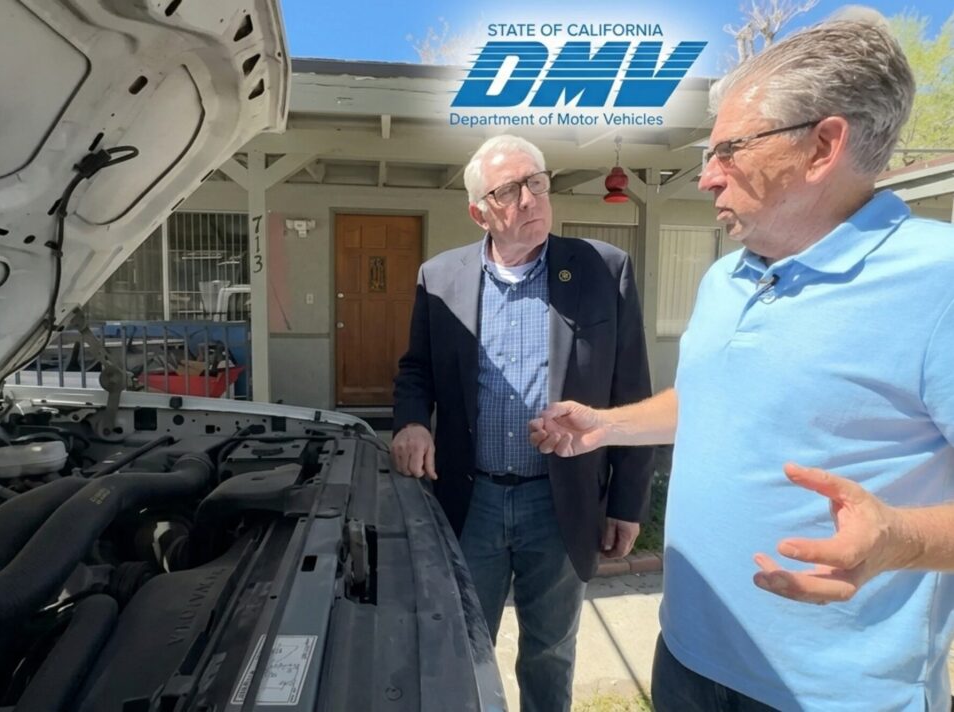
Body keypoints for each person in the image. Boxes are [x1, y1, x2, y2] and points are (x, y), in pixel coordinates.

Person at [530, 12, 954, 712]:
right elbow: (715, 397)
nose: (705, 177)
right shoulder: (728, 276)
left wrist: (899, 540)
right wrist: (607, 425)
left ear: (823, 146)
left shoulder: (937, 280)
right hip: (688, 658)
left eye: (730, 149)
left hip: (833, 692)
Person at [391, 134, 653, 712]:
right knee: (463, 646)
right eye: (509, 190)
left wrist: (628, 503)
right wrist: (412, 422)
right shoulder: (441, 279)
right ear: (478, 210)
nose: (530, 199)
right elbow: (417, 372)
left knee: (550, 652)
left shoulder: (602, 271)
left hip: (559, 502)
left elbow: (631, 389)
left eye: (537, 182)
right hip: (472, 499)